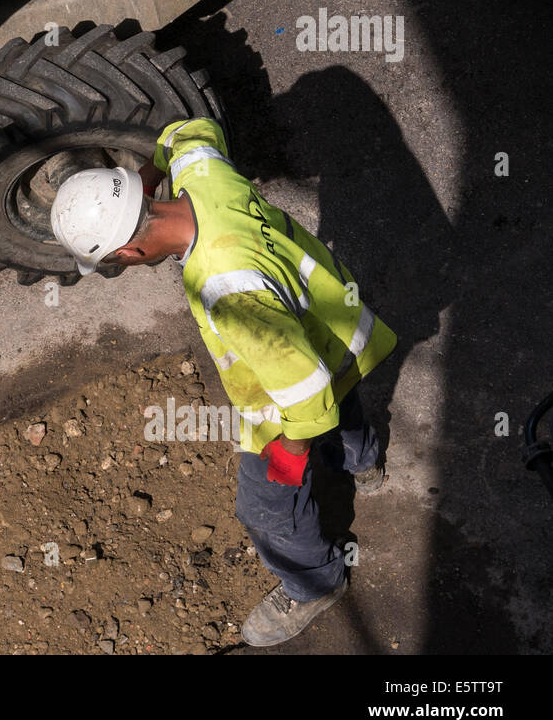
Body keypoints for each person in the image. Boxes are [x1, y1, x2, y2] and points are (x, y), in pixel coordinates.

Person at [50, 117, 396, 647]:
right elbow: (186, 131)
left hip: (293, 385)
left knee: (263, 506)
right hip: (331, 324)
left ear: (129, 252)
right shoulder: (204, 176)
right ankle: (363, 464)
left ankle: (314, 585)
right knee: (344, 393)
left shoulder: (225, 291)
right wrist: (146, 175)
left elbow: (306, 396)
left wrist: (288, 455)